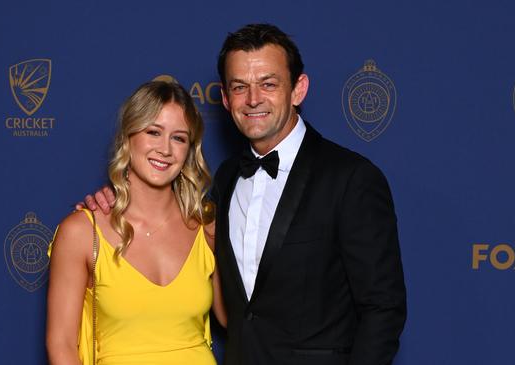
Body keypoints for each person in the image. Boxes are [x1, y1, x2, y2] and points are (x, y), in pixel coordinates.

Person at [86, 24, 406, 365]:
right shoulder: (225, 180)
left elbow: (383, 308)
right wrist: (114, 200)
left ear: (298, 89)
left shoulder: (350, 178)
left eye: (268, 84)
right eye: (240, 87)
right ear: (225, 98)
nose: (253, 99)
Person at [47, 80, 226, 365]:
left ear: (189, 150)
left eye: (179, 138)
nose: (165, 149)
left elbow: (234, 320)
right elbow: (62, 346)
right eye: (153, 132)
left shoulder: (207, 227)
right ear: (128, 138)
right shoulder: (81, 233)